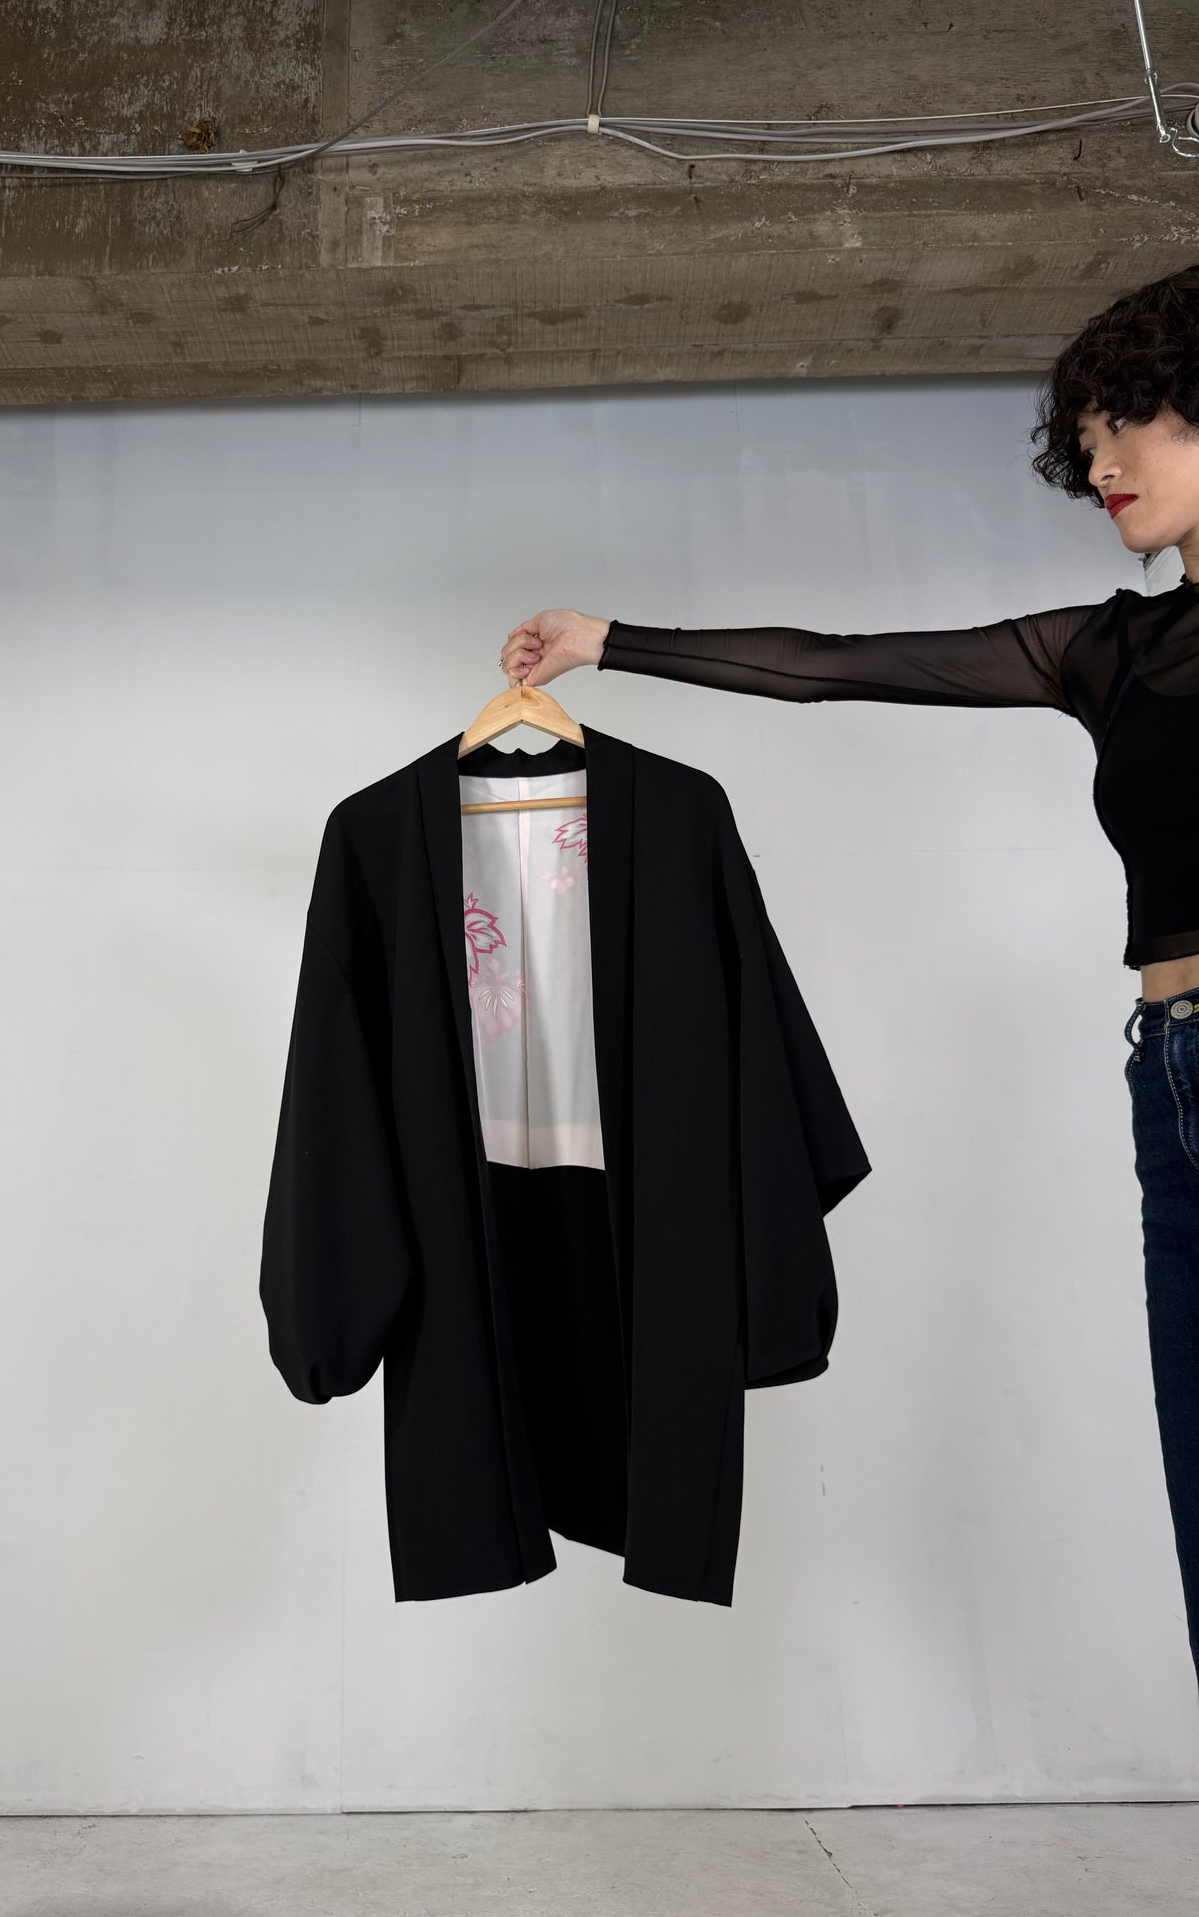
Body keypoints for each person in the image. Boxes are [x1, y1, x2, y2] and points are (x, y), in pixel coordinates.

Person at [498, 260, 1199, 1694]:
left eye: (1126, 423)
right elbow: (832, 665)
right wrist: (607, 643)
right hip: (1172, 1077)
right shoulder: (1110, 651)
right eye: (1081, 443)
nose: (1099, 465)